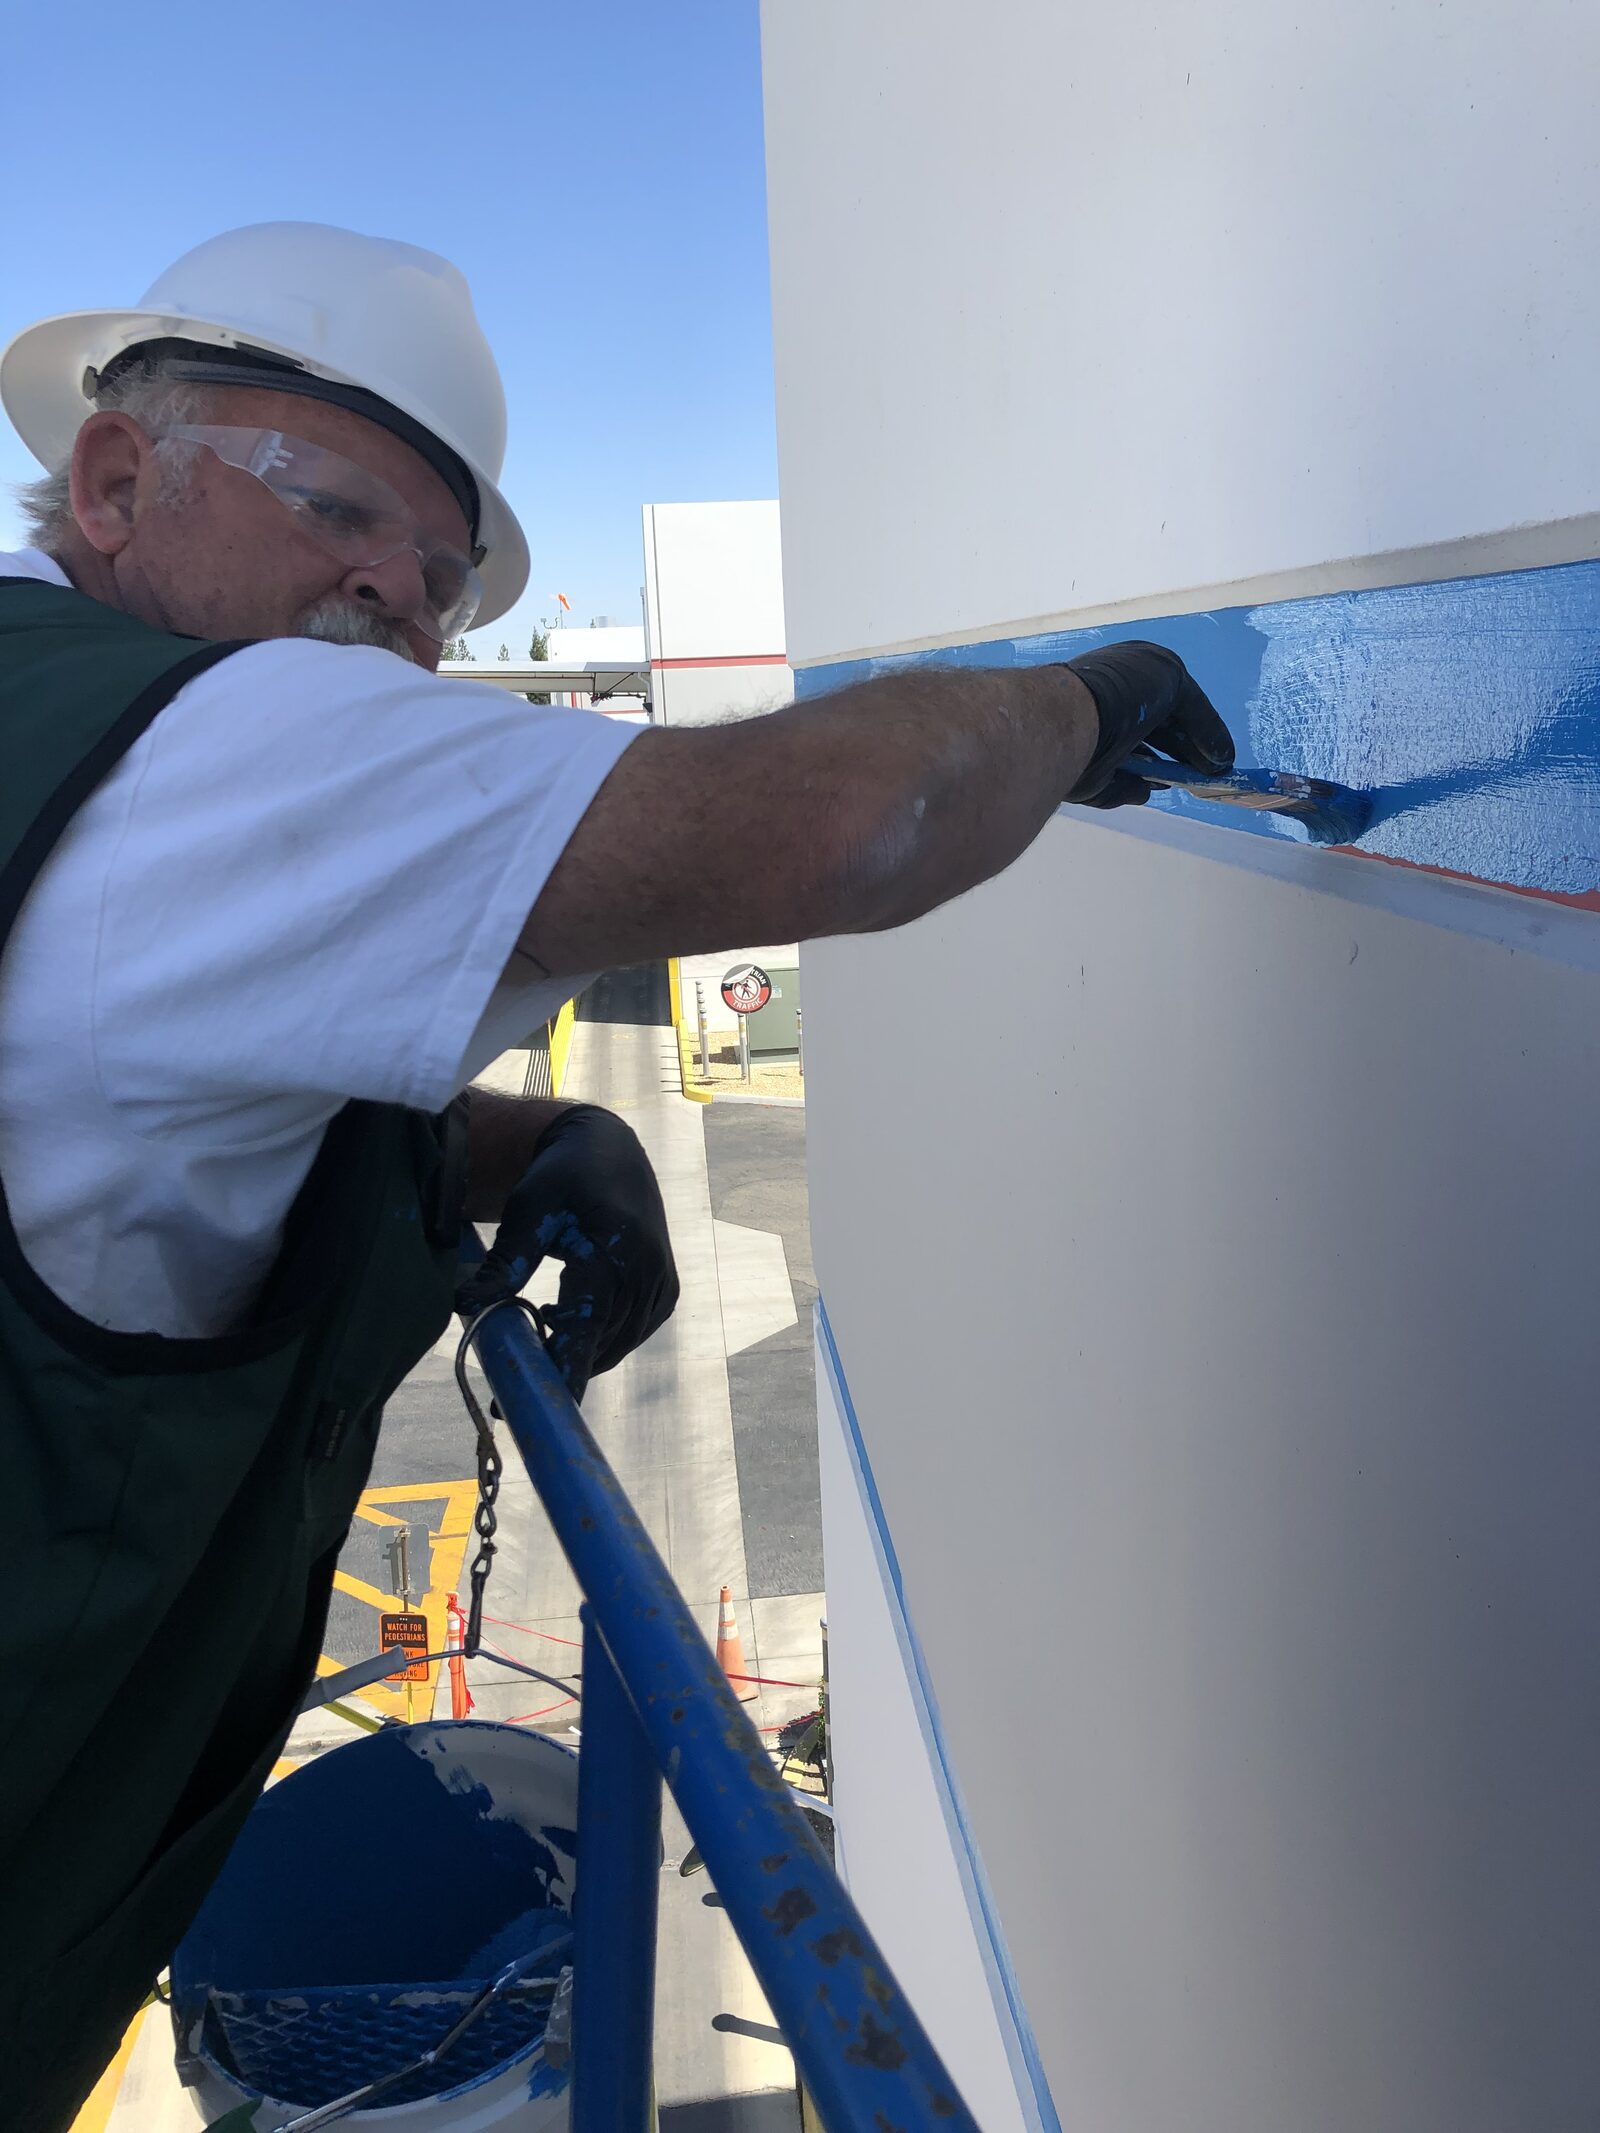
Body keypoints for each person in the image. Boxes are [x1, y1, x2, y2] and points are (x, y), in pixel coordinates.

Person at [0, 221, 1232, 2128]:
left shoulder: (56, 737)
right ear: (112, 478)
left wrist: (520, 1137)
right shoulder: (207, 741)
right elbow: (852, 820)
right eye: (339, 511)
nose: (391, 599)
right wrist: (1085, 699)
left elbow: (128, 1094)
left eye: (437, 584)